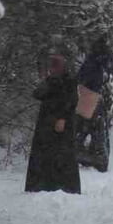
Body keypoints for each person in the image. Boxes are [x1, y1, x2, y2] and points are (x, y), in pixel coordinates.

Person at [25, 54, 81, 194]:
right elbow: (38, 94)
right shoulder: (51, 80)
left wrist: (62, 118)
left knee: (62, 155)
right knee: (45, 155)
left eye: (56, 66)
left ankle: (63, 186)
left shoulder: (69, 81)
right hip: (47, 123)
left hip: (62, 124)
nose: (53, 69)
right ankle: (43, 184)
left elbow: (71, 100)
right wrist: (46, 80)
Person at [74, 37, 113, 172]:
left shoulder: (91, 62)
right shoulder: (106, 62)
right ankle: (98, 158)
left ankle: (86, 155)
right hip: (98, 98)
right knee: (98, 130)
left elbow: (81, 79)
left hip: (88, 97)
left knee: (83, 128)